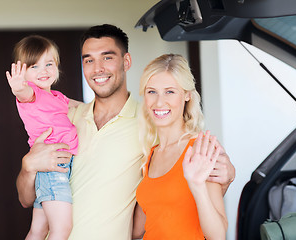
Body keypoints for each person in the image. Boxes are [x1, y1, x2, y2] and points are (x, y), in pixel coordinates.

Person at [15, 24, 235, 240]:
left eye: (107, 57)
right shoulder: (65, 120)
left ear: (126, 61)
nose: (98, 68)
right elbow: (27, 199)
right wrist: (28, 167)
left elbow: (185, 179)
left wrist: (226, 177)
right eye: (89, 60)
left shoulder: (151, 123)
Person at [132, 54, 228, 239]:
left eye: (170, 91)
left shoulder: (201, 149)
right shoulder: (150, 154)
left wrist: (197, 185)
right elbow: (144, 226)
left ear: (186, 95)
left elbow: (218, 235)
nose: (159, 102)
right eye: (152, 92)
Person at [6, 35, 79, 239]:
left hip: (54, 170)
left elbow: (81, 107)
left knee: (38, 230)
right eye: (34, 66)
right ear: (23, 72)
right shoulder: (32, 95)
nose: (44, 70)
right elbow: (23, 93)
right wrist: (19, 87)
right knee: (61, 228)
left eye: (49, 64)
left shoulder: (57, 96)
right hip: (52, 170)